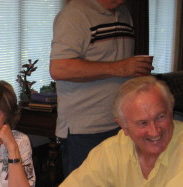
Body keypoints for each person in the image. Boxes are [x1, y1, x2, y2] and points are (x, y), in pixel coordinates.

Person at [44, 76, 183, 187]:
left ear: (171, 111)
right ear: (123, 126)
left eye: (161, 117)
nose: (154, 130)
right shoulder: (114, 149)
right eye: (142, 123)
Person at [50, 0, 154, 177]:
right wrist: (119, 68)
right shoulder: (75, 14)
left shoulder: (124, 13)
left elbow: (119, 68)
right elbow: (59, 68)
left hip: (122, 124)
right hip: (85, 130)